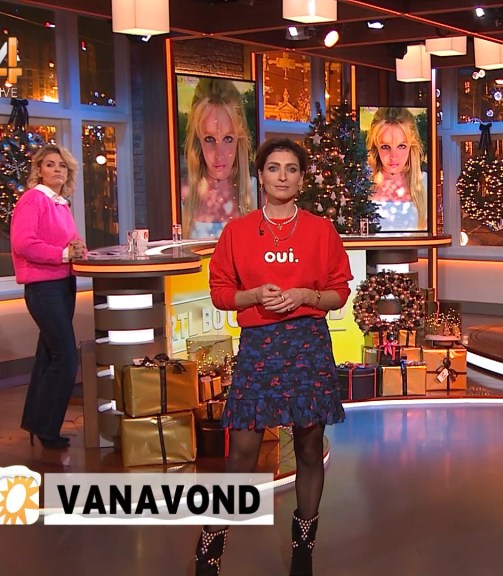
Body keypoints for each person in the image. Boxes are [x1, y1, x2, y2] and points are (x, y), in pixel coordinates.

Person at [195, 137, 353, 576]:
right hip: (260, 346)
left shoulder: (321, 230)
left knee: (308, 447)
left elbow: (339, 291)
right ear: (260, 177)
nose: (282, 176)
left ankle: (303, 551)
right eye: (273, 168)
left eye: (291, 169)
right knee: (242, 451)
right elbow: (221, 292)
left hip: (307, 344)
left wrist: (306, 296)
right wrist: (252, 296)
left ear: (301, 179)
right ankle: (209, 551)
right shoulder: (237, 232)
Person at [10, 144, 86, 449]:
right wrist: (63, 254)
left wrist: (78, 249)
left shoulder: (59, 204)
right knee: (66, 358)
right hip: (44, 289)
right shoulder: (33, 199)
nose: (57, 170)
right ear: (39, 170)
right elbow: (24, 244)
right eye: (51, 165)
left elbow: (69, 243)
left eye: (62, 166)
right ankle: (47, 429)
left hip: (63, 285)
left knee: (49, 356)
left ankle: (37, 423)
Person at [183, 78, 254, 239]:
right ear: (198, 139)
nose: (219, 155)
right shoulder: (182, 196)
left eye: (228, 138)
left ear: (239, 138)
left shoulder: (257, 192)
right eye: (209, 139)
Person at [367, 107, 428, 231]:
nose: (393, 156)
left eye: (401, 146)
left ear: (412, 146)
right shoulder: (363, 185)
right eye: (385, 146)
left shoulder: (425, 184)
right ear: (375, 147)